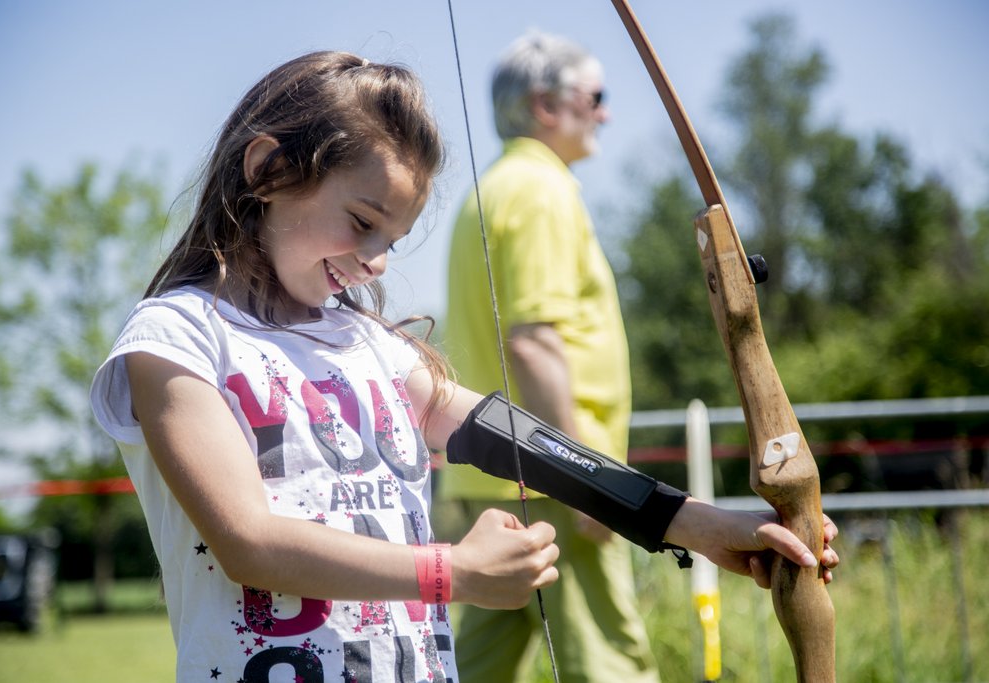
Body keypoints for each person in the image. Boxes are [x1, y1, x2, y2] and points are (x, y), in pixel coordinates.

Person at [90, 51, 838, 683]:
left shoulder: (371, 346)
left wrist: (694, 524)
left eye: (394, 236)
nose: (377, 259)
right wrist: (450, 572)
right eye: (361, 221)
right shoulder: (177, 338)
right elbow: (247, 540)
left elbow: (512, 435)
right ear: (269, 167)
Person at [435, 30, 659, 682]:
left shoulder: (490, 191)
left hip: (495, 477)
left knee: (474, 666)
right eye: (596, 95)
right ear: (545, 105)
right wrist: (587, 480)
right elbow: (532, 341)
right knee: (610, 662)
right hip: (552, 482)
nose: (606, 112)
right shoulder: (541, 191)